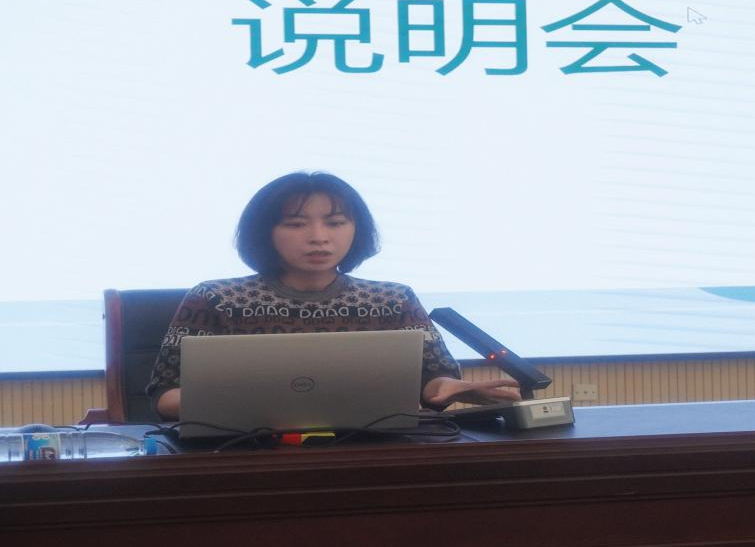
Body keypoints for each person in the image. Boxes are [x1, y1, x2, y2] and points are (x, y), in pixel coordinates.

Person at [147, 171, 520, 419]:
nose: (319, 237)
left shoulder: (393, 300)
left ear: (356, 230)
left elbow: (434, 381)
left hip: (374, 454)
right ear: (264, 233)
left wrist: (450, 389)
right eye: (296, 224)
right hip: (243, 456)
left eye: (336, 222)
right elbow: (166, 396)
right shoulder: (216, 299)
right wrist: (254, 405)